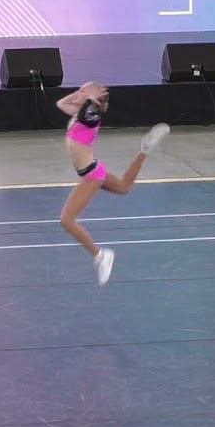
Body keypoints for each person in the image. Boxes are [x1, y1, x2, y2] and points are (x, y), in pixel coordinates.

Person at [57, 82, 169, 284]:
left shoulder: (91, 117)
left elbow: (87, 112)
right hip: (94, 169)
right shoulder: (79, 112)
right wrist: (79, 94)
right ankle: (145, 149)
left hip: (91, 176)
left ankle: (101, 256)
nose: (78, 92)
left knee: (66, 220)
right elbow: (60, 103)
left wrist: (89, 98)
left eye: (83, 89)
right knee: (124, 187)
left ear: (92, 99)